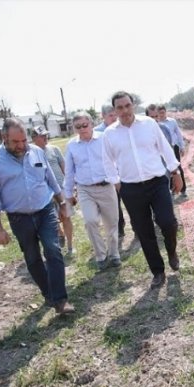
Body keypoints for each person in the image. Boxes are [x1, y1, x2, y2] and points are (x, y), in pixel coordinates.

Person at [0, 117, 74, 315]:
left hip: (45, 209)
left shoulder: (37, 152)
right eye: (16, 142)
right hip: (18, 218)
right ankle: (48, 293)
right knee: (32, 258)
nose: (22, 146)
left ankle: (60, 300)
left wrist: (62, 203)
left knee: (53, 249)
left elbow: (51, 180)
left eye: (24, 141)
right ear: (3, 137)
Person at [102, 91, 183, 288]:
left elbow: (165, 148)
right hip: (131, 189)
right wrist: (117, 182)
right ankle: (158, 271)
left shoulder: (149, 124)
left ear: (133, 104)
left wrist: (175, 172)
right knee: (144, 232)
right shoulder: (109, 134)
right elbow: (107, 161)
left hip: (157, 182)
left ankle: (172, 251)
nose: (124, 110)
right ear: (115, 110)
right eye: (119, 107)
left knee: (168, 222)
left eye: (127, 105)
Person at [64, 112, 120, 270]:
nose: (82, 129)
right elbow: (69, 172)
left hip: (106, 186)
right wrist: (68, 195)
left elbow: (116, 160)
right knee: (90, 221)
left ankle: (114, 253)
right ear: (74, 128)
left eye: (85, 125)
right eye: (78, 127)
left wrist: (118, 180)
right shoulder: (72, 145)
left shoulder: (104, 138)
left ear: (91, 124)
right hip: (85, 189)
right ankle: (101, 255)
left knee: (112, 222)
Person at [31, 125, 75, 257]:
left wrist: (70, 186)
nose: (45, 138)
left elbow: (65, 168)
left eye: (46, 135)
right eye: (42, 136)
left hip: (60, 189)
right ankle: (60, 234)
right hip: (45, 193)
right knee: (53, 221)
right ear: (34, 138)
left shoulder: (54, 150)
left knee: (66, 217)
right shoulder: (31, 154)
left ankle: (70, 246)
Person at [94, 104, 127, 238]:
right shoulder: (97, 132)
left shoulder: (122, 127)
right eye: (111, 115)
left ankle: (137, 227)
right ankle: (120, 227)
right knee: (115, 203)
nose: (114, 118)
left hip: (124, 170)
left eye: (115, 114)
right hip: (108, 174)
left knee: (130, 200)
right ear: (103, 116)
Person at [157, 105, 187, 198]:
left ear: (165, 112)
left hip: (174, 147)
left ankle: (183, 190)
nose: (161, 115)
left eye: (163, 112)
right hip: (162, 150)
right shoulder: (155, 124)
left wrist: (182, 147)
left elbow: (178, 134)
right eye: (159, 113)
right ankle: (171, 190)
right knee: (166, 169)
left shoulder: (172, 122)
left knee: (178, 167)